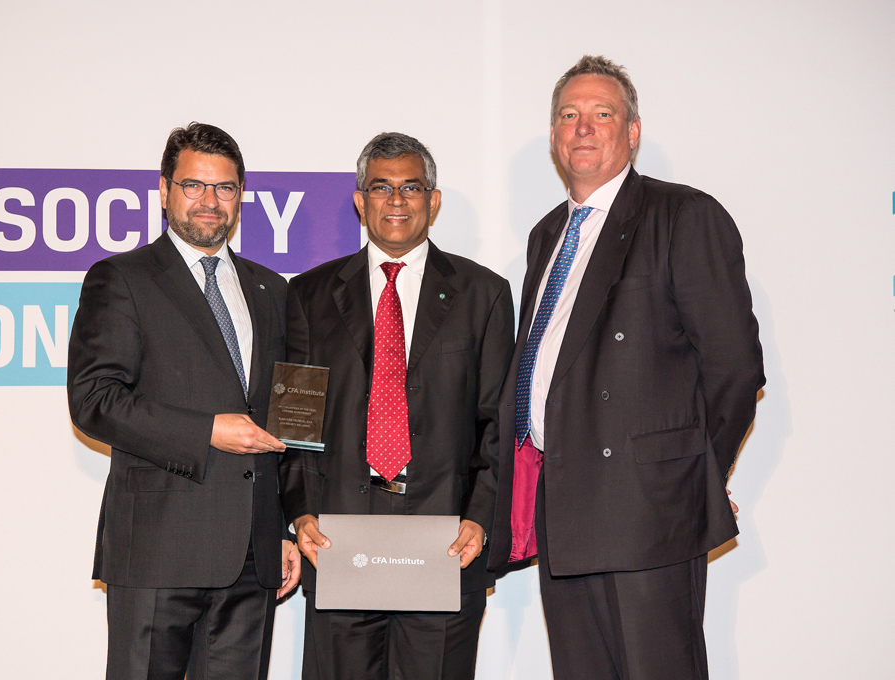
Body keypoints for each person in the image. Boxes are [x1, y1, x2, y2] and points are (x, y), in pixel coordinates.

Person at [488, 56, 765, 679]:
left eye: (602, 114)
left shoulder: (683, 215)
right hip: (564, 508)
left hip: (647, 512)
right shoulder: (546, 235)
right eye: (569, 116)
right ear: (554, 136)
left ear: (632, 132)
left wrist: (687, 473)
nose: (583, 128)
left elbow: (735, 367)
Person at [68, 122, 300, 680]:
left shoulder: (273, 289)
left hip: (252, 555)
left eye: (224, 188)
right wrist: (207, 431)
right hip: (158, 548)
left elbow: (288, 416)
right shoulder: (120, 278)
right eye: (194, 185)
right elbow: (94, 401)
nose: (209, 201)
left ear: (241, 196)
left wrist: (288, 524)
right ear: (165, 189)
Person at [280, 132, 514, 680]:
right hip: (339, 543)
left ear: (433, 200)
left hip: (445, 545)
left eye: (411, 187)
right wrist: (300, 511)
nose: (397, 200)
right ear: (360, 201)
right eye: (381, 188)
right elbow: (294, 424)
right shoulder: (308, 296)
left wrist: (481, 518)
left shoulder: (485, 295)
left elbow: (498, 424)